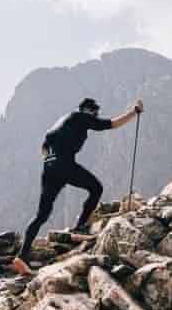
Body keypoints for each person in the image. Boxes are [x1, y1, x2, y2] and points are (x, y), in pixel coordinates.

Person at [11, 97, 144, 275]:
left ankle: (22, 256)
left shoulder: (62, 122)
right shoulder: (80, 117)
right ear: (89, 110)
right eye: (95, 112)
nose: (96, 115)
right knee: (96, 188)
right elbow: (111, 124)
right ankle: (79, 227)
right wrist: (134, 112)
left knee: (42, 214)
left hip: (49, 168)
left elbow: (45, 147)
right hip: (64, 164)